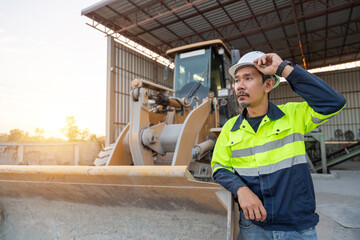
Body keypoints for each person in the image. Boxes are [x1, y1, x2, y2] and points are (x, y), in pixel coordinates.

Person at [211, 51, 346, 239]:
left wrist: (283, 69)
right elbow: (219, 167)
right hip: (253, 229)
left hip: (297, 229)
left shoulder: (292, 116)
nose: (240, 86)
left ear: (268, 84)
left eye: (248, 78)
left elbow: (333, 103)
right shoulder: (229, 128)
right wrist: (240, 190)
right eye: (237, 80)